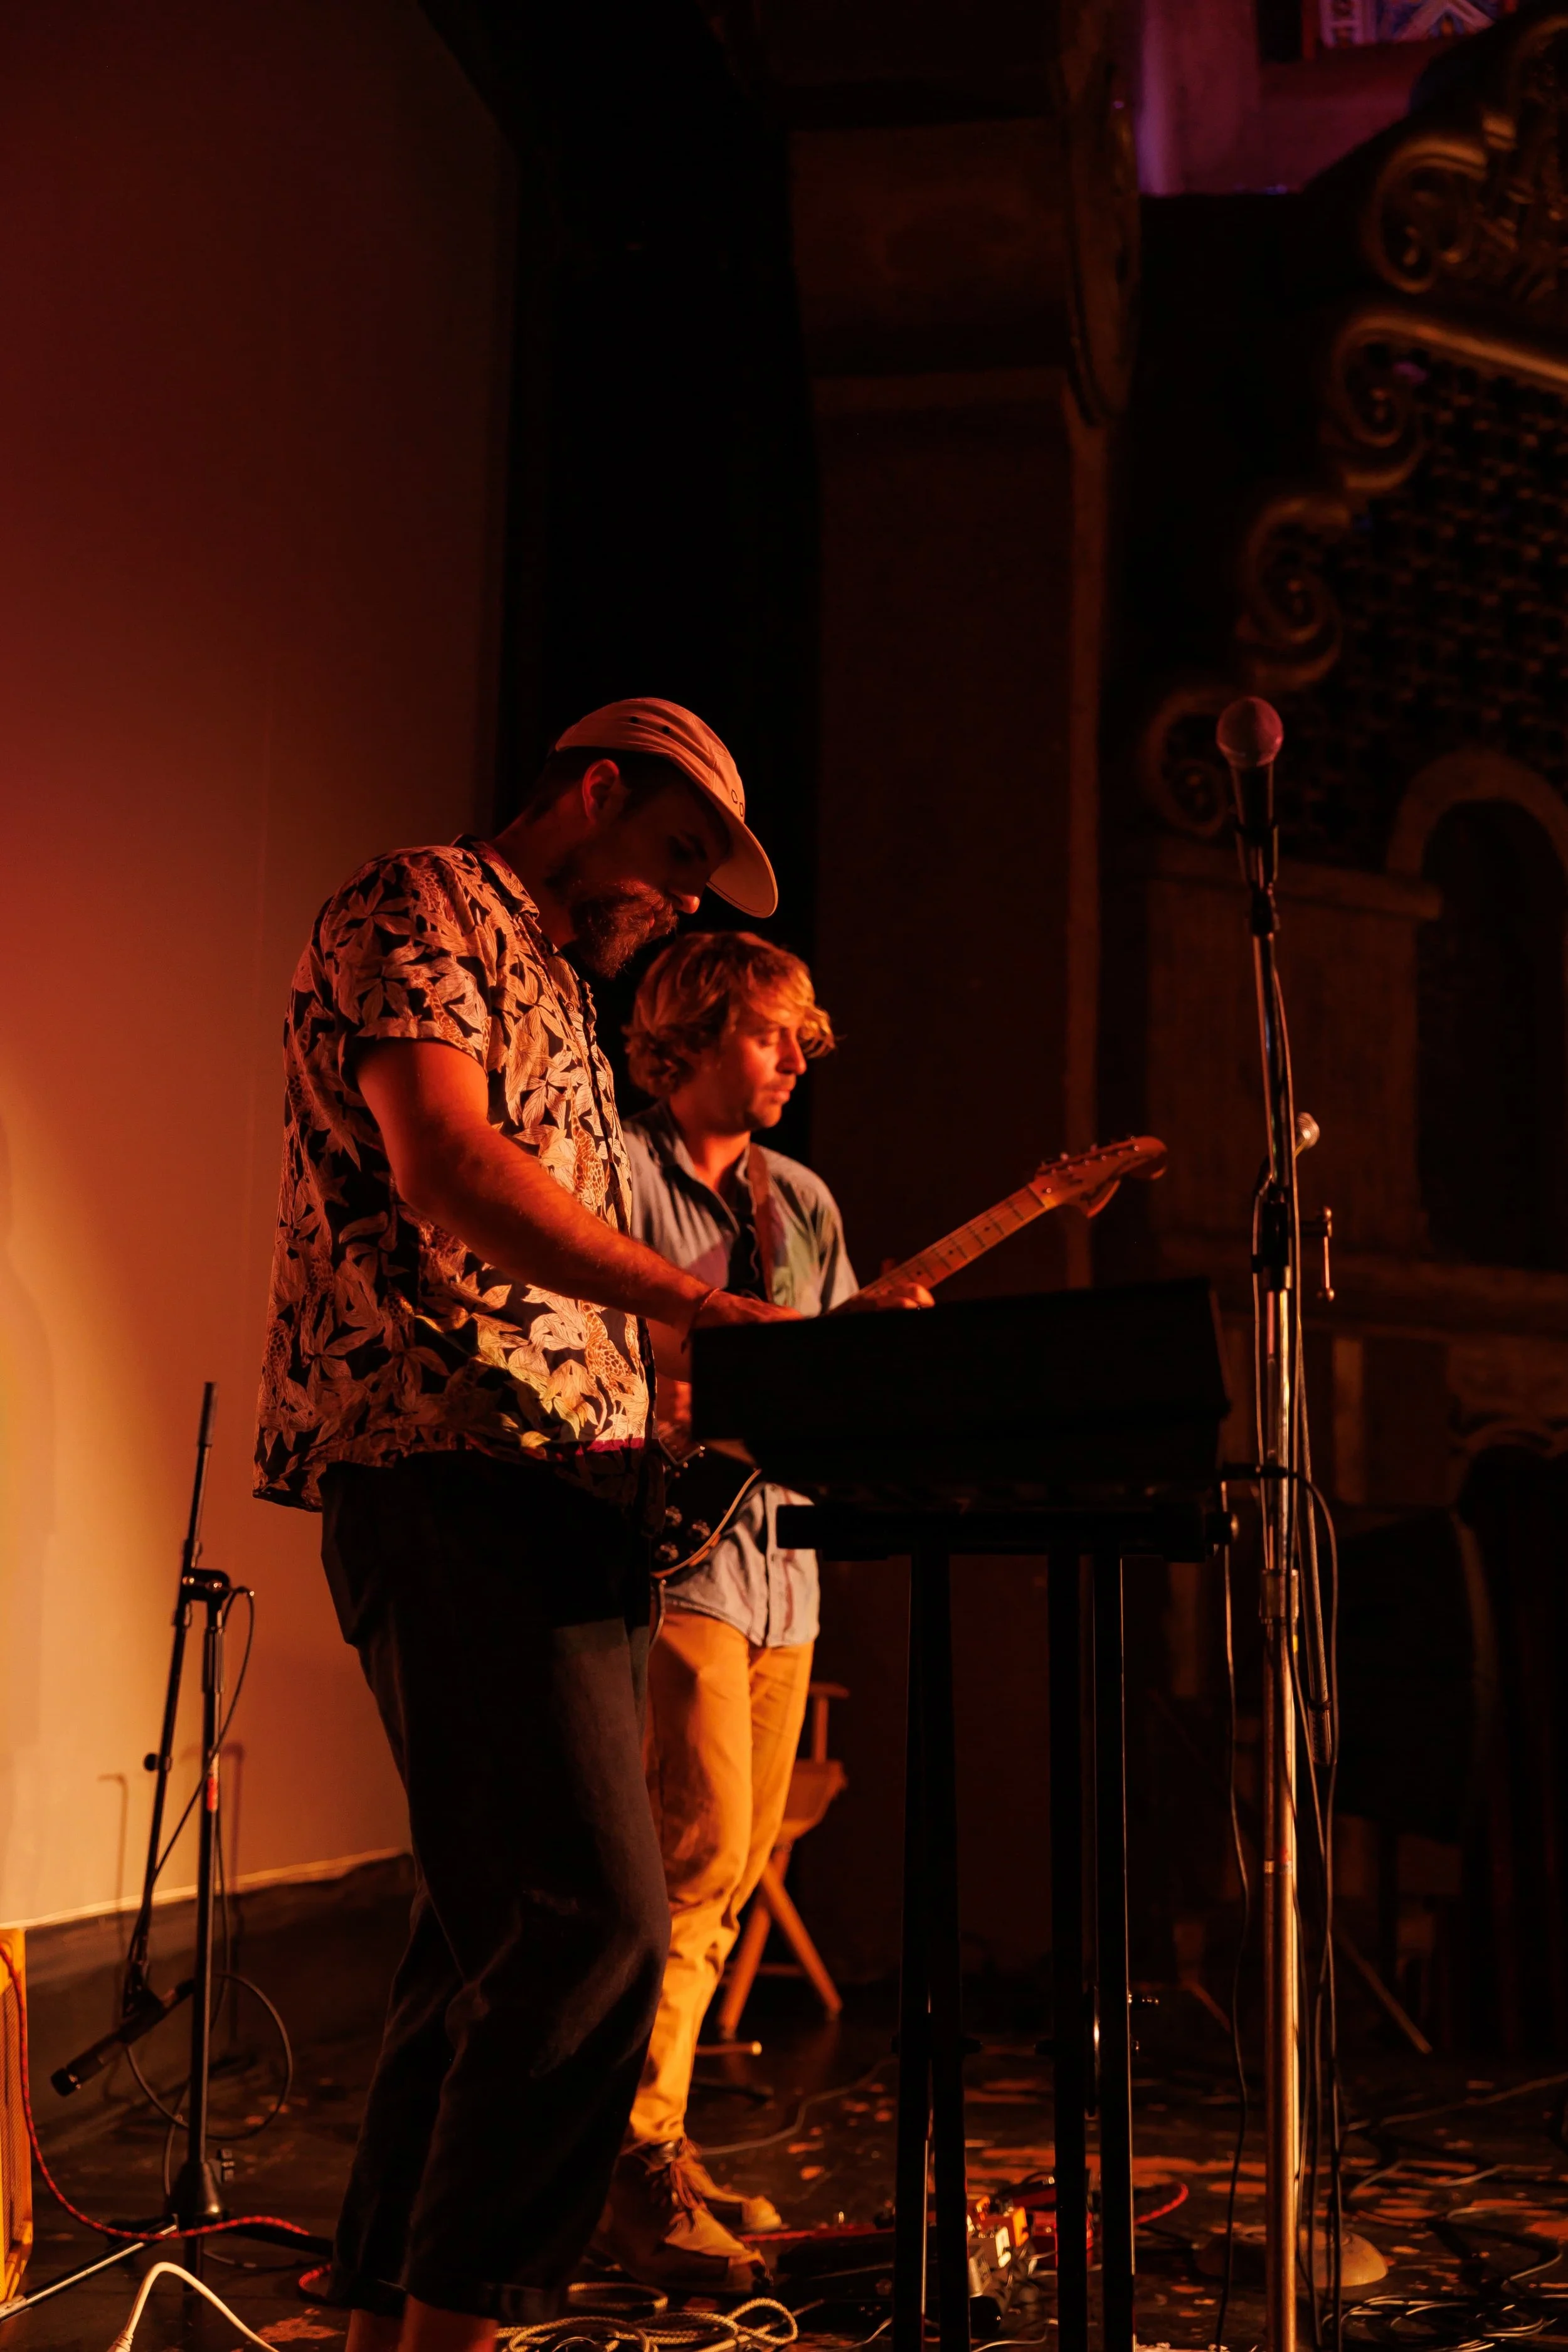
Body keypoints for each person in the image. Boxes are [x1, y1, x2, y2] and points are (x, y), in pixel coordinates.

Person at [253, 701, 797, 2352]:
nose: (685, 901)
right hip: (450, 1467)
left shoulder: (561, 987)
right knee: (588, 1928)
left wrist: (673, 1393)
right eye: (676, 854)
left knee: (482, 1942)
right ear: (591, 790)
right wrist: (689, 1308)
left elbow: (554, 1273)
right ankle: (458, 2332)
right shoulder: (418, 901)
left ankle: (382, 2323)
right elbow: (447, 1167)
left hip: (562, 1488)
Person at [594, 931, 930, 2291]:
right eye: (769, 1032)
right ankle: (624, 2162)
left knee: (730, 1881)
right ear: (689, 1033)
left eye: (804, 1037)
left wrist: (878, 1347)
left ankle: (656, 2146)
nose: (796, 1058)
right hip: (674, 1561)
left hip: (784, 1568)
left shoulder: (803, 1200)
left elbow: (826, 1392)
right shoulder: (618, 1171)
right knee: (697, 1854)